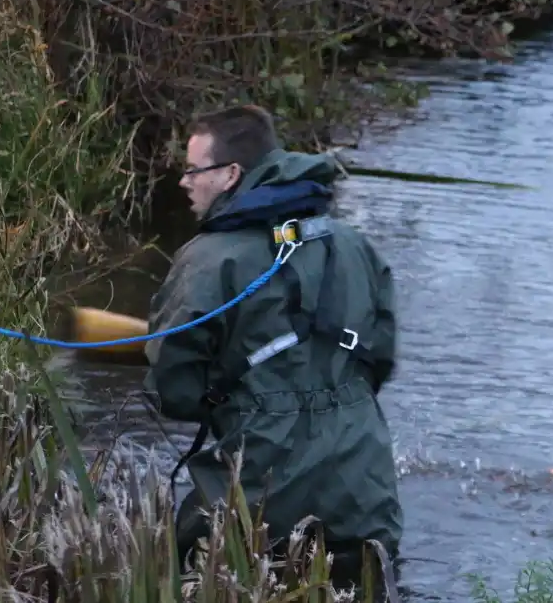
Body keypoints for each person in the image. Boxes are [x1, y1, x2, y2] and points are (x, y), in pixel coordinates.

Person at [144, 104, 404, 598]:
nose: (183, 181)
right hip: (365, 491)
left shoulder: (207, 260)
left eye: (193, 169)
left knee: (193, 567)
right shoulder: (354, 245)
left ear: (230, 175)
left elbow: (172, 387)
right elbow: (381, 357)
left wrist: (228, 400)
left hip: (262, 497)